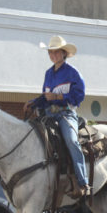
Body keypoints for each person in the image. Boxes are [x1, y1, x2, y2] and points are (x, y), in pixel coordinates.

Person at [23, 35, 90, 197]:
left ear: (64, 53)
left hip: (66, 114)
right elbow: (45, 96)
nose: (53, 55)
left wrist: (59, 98)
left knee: (71, 141)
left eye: (56, 52)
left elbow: (79, 96)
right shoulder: (48, 73)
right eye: (50, 52)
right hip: (48, 115)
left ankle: (83, 182)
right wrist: (33, 103)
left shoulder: (73, 73)